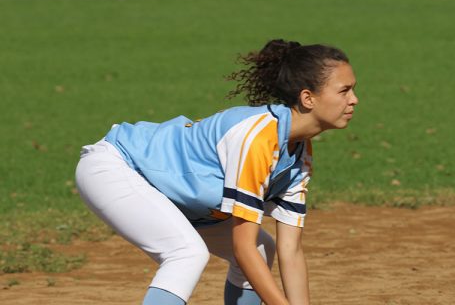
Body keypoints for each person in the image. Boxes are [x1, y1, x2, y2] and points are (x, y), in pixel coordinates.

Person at [75, 39, 358, 305]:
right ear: (308, 98)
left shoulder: (299, 154)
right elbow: (242, 248)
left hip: (173, 194)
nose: (354, 99)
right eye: (344, 90)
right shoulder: (258, 138)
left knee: (262, 248)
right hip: (118, 167)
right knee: (187, 253)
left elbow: (291, 250)